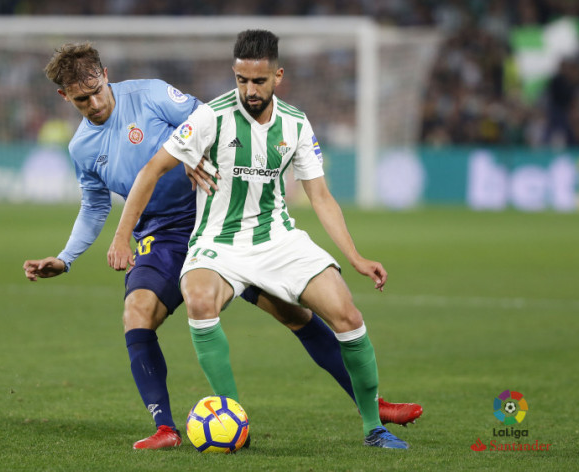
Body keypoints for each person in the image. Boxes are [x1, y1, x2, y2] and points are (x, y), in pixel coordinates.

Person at [25, 42, 421, 450]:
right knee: (137, 312)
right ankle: (166, 427)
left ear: (105, 74)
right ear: (64, 97)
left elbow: (212, 119)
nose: (92, 104)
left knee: (294, 314)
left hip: (215, 217)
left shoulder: (152, 94)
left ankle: (372, 404)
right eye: (80, 100)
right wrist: (66, 258)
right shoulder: (81, 148)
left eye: (96, 92)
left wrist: (192, 152)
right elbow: (94, 205)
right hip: (161, 234)